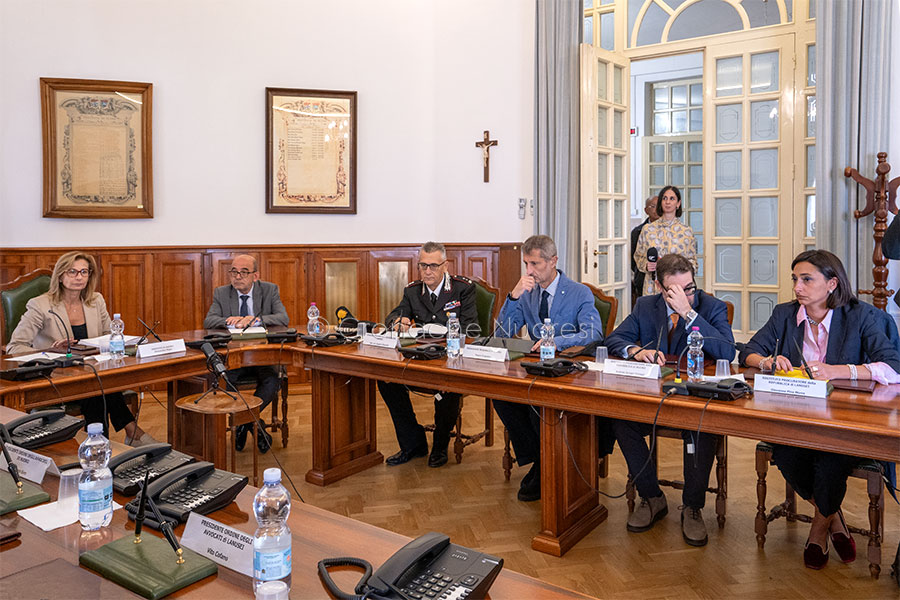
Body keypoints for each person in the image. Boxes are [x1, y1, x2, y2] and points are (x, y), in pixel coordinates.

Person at [739, 249, 900, 569]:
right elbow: (748, 352)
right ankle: (834, 520)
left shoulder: (859, 316)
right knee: (787, 455)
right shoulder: (785, 314)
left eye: (806, 279)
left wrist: (837, 370)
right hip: (795, 416)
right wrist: (768, 362)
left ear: (831, 284)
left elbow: (893, 367)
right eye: (795, 279)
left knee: (830, 463)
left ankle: (818, 530)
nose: (797, 287)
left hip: (845, 420)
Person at [605, 253, 734, 547]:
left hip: (694, 399)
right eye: (675, 291)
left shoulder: (711, 307)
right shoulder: (645, 305)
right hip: (655, 398)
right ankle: (652, 497)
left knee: (701, 428)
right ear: (659, 288)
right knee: (620, 420)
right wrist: (636, 351)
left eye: (689, 288)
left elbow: (727, 352)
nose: (685, 295)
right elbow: (614, 339)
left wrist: (688, 312)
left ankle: (693, 507)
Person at [493, 234, 605, 501]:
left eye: (535, 264)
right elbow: (501, 334)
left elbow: (593, 333)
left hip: (569, 371)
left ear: (553, 261)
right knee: (501, 397)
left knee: (537, 402)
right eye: (526, 264)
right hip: (535, 368)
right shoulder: (527, 293)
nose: (529, 271)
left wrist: (556, 341)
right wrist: (513, 296)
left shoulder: (579, 292)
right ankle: (540, 460)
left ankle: (544, 467)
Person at [7, 251, 156, 446]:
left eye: (84, 272)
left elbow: (108, 335)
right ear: (60, 275)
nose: (79, 277)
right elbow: (15, 347)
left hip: (91, 371)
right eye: (73, 272)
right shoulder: (40, 305)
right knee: (97, 385)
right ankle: (127, 433)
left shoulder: (95, 300)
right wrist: (51, 351)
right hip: (55, 377)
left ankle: (101, 444)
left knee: (97, 383)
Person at [376, 242, 478, 469]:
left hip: (451, 358)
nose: (428, 271)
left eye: (433, 266)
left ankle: (440, 445)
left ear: (445, 266)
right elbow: (394, 315)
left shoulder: (462, 289)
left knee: (448, 387)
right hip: (421, 358)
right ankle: (413, 443)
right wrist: (398, 321)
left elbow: (472, 329)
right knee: (386, 380)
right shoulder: (413, 291)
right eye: (423, 266)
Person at [203, 254, 289, 454]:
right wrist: (229, 320)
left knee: (273, 380)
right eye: (234, 272)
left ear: (255, 276)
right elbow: (209, 321)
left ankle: (243, 423)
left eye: (243, 272)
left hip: (263, 357)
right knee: (224, 381)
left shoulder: (269, 290)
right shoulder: (222, 293)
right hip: (234, 358)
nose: (237, 276)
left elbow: (283, 318)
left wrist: (255, 320)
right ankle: (253, 423)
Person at [633, 185, 698, 297]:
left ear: (678, 203)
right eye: (664, 198)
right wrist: (647, 266)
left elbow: (693, 262)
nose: (668, 202)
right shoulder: (648, 229)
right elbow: (638, 256)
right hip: (653, 285)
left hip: (678, 286)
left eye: (672, 198)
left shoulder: (686, 231)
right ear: (661, 203)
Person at [631, 195, 659, 302]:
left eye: (659, 206)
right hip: (644, 278)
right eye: (653, 206)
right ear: (646, 210)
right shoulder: (638, 231)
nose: (657, 209)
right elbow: (634, 258)